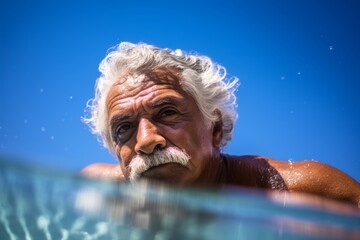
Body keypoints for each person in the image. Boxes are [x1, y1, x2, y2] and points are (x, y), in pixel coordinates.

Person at [81, 42, 360, 206]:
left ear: (215, 129)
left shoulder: (300, 193)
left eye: (166, 113)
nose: (145, 140)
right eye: (124, 128)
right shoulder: (95, 195)